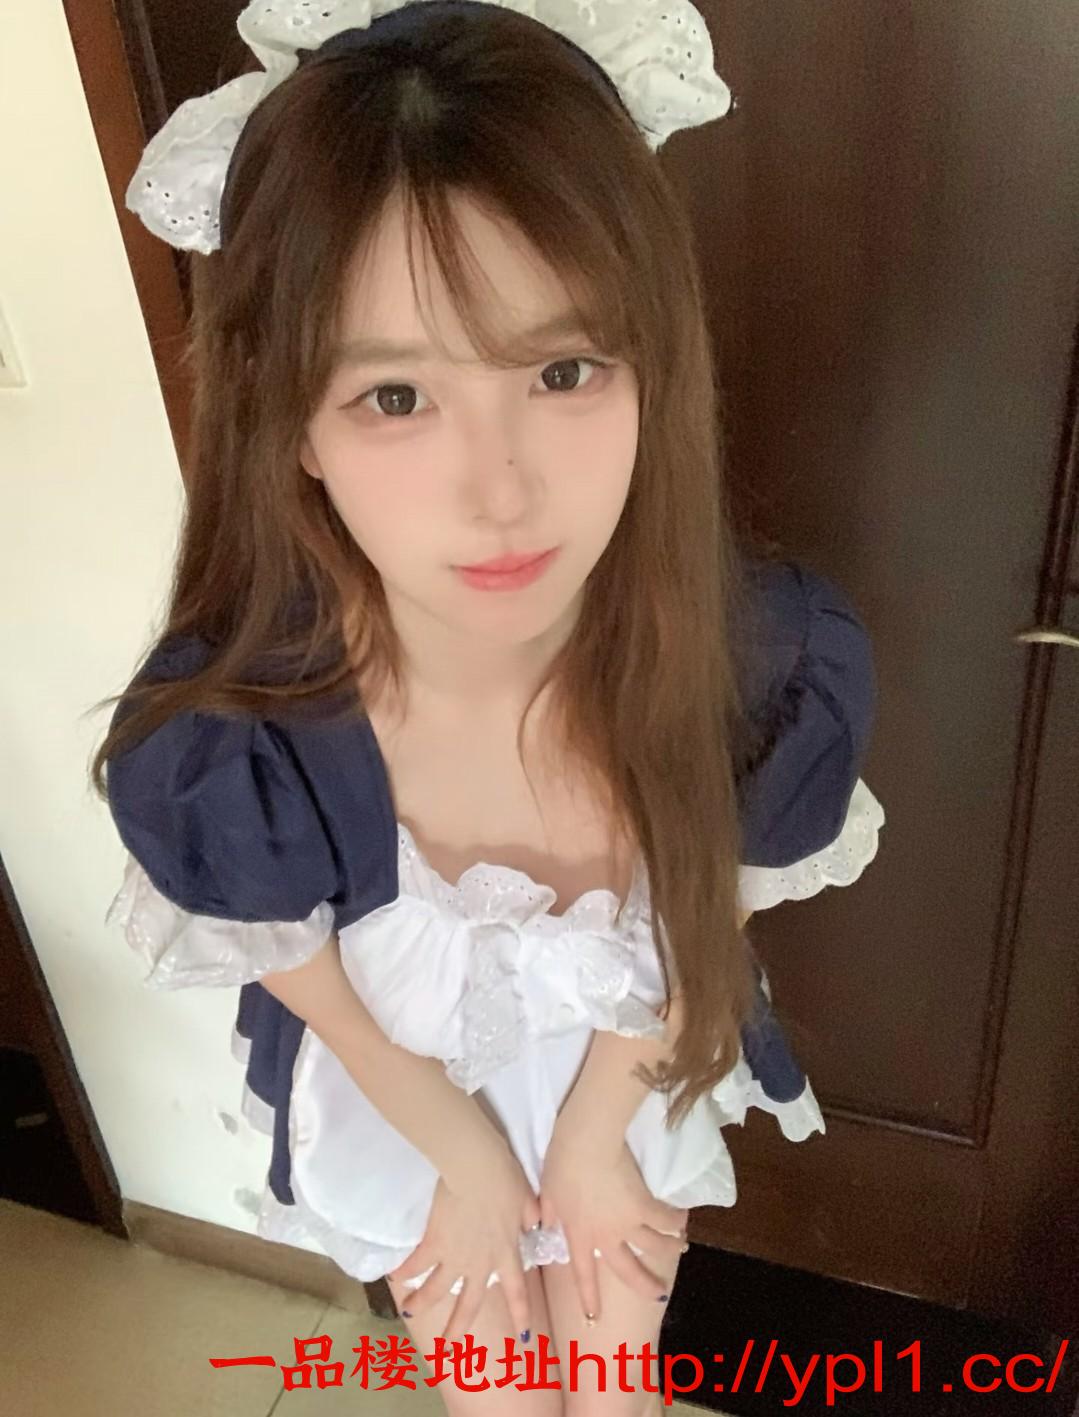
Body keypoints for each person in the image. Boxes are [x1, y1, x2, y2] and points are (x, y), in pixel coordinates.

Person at [90, 2, 885, 1411]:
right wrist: (459, 1154)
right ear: (290, 420)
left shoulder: (753, 662)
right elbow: (294, 963)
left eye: (563, 372)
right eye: (397, 396)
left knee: (610, 1384)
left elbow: (712, 900)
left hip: (630, 1071)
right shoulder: (245, 726)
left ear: (652, 364)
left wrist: (593, 1137)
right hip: (409, 1105)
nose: (500, 489)